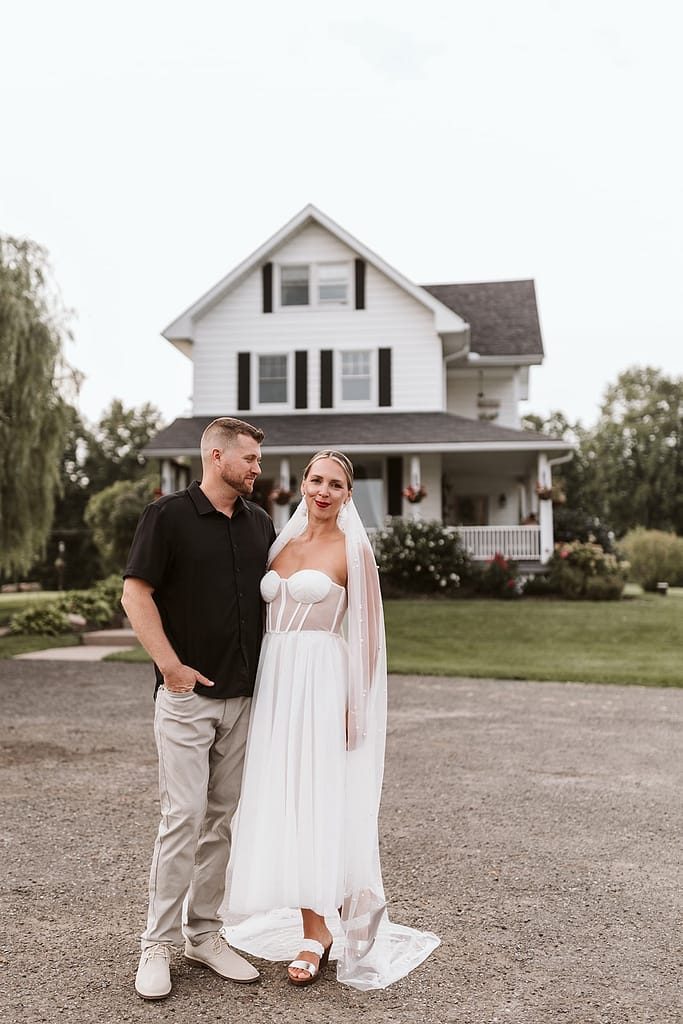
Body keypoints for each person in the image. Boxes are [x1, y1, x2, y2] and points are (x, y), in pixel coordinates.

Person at [224, 450, 440, 990]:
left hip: (322, 679)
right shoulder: (280, 545)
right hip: (276, 681)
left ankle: (325, 927)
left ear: (347, 495)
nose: (323, 490)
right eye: (316, 479)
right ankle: (313, 925)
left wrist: (356, 704)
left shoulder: (352, 550)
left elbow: (366, 636)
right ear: (302, 484)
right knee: (287, 796)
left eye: (336, 484)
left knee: (322, 797)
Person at [121, 416, 276, 1001]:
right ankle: (156, 942)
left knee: (220, 821)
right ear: (216, 456)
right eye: (250, 460)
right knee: (182, 819)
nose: (257, 469)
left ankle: (205, 934)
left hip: (243, 698)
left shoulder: (260, 524)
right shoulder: (168, 516)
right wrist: (171, 668)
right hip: (187, 699)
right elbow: (135, 595)